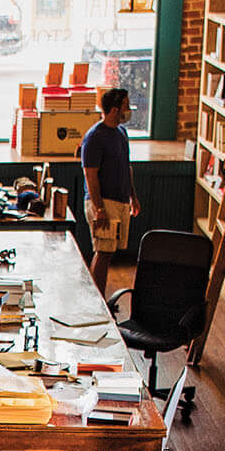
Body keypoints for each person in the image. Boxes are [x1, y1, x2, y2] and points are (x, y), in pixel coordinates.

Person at [81, 87, 141, 296]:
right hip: (103, 203)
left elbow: (127, 166)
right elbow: (90, 175)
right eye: (126, 106)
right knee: (103, 251)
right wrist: (99, 209)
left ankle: (97, 299)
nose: (129, 110)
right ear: (115, 110)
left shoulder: (121, 133)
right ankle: (97, 301)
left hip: (120, 200)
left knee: (108, 251)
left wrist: (132, 196)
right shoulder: (95, 137)